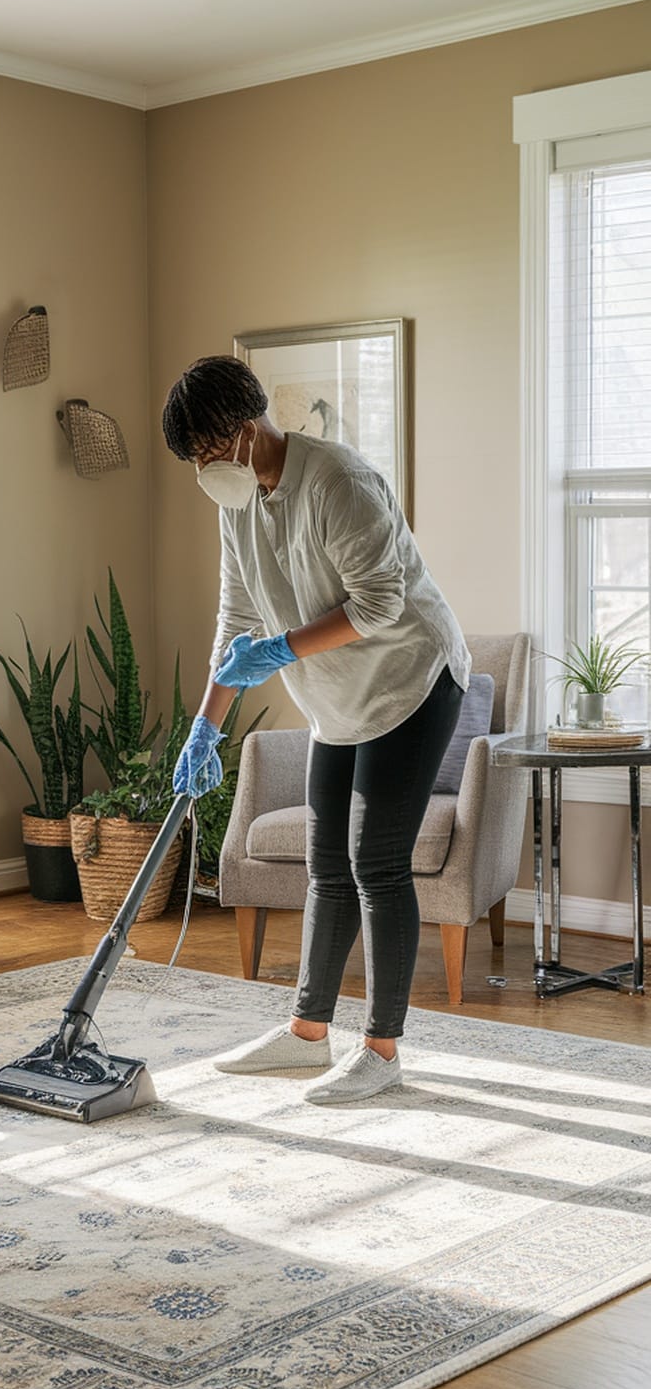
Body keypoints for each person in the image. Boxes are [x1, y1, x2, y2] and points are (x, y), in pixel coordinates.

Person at [163, 355, 471, 1103]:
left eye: (204, 453)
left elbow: (380, 605)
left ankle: (383, 1050)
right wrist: (203, 727)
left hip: (411, 680)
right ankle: (307, 1034)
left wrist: (279, 650)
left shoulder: (338, 482)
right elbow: (236, 621)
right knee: (326, 861)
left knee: (377, 862)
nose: (203, 471)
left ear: (240, 432)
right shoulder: (235, 503)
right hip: (335, 698)